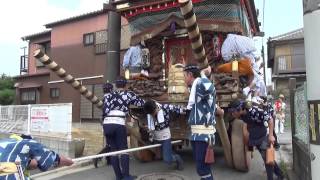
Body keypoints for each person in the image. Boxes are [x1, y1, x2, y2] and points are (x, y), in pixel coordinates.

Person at [229, 99, 284, 180]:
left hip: (263, 136)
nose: (232, 114)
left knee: (268, 161)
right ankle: (280, 174)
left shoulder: (254, 111)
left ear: (240, 109)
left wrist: (271, 135)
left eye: (233, 112)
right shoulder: (241, 115)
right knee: (268, 157)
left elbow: (270, 119)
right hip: (255, 137)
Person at [102, 76, 145, 180]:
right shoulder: (128, 94)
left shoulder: (109, 95)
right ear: (126, 85)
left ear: (116, 86)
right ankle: (126, 176)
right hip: (118, 123)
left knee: (114, 151)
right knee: (123, 150)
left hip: (107, 123)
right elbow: (141, 103)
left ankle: (118, 176)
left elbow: (104, 110)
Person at [183, 64, 216, 180]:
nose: (184, 79)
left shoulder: (201, 84)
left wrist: (202, 73)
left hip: (203, 135)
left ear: (190, 75)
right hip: (198, 135)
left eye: (185, 76)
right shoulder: (196, 87)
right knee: (203, 168)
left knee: (202, 168)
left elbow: (210, 87)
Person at [0, 134, 73, 180]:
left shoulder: (6, 145)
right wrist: (69, 161)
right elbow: (55, 159)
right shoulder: (27, 142)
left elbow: (32, 164)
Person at [143, 100, 185, 170]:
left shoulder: (165, 107)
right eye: (151, 114)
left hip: (165, 136)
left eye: (153, 113)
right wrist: (148, 128)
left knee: (167, 160)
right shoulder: (149, 111)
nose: (152, 115)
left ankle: (177, 158)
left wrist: (186, 109)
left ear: (156, 108)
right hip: (155, 136)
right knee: (159, 156)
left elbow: (179, 109)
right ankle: (169, 153)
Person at [93, 82, 114, 168]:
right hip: (112, 122)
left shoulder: (103, 100)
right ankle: (98, 157)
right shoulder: (112, 99)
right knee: (111, 143)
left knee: (109, 143)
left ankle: (108, 160)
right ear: (111, 89)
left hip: (105, 122)